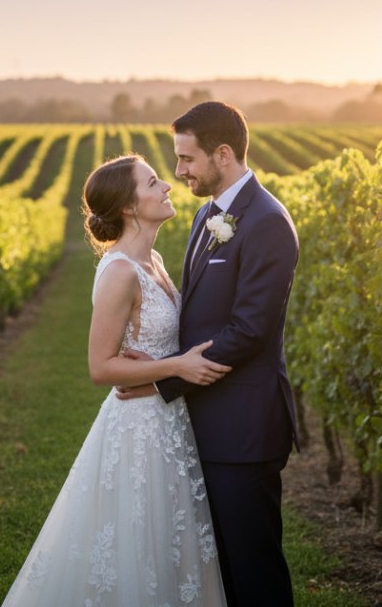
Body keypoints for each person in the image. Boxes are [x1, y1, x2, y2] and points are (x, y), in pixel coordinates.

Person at [2, 153, 229, 606]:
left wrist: (169, 367)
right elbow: (100, 367)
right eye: (151, 183)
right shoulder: (121, 271)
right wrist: (176, 366)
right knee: (137, 543)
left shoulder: (155, 261)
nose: (166, 186)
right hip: (139, 426)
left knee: (172, 540)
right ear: (128, 206)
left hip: (166, 417)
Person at [118, 101, 300, 606]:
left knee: (253, 570)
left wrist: (163, 380)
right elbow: (198, 314)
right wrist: (157, 361)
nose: (178, 173)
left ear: (223, 153)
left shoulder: (266, 221)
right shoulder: (207, 214)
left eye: (186, 159)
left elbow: (250, 330)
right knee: (218, 568)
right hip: (205, 421)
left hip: (243, 428)